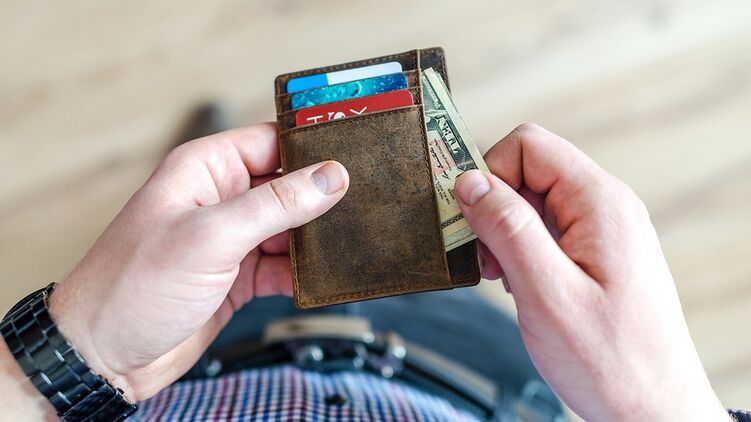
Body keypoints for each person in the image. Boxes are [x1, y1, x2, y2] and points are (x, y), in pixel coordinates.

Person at [0, 122, 745, 422]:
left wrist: (67, 362)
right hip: (474, 373)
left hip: (180, 361)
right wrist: (662, 405)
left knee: (250, 226)